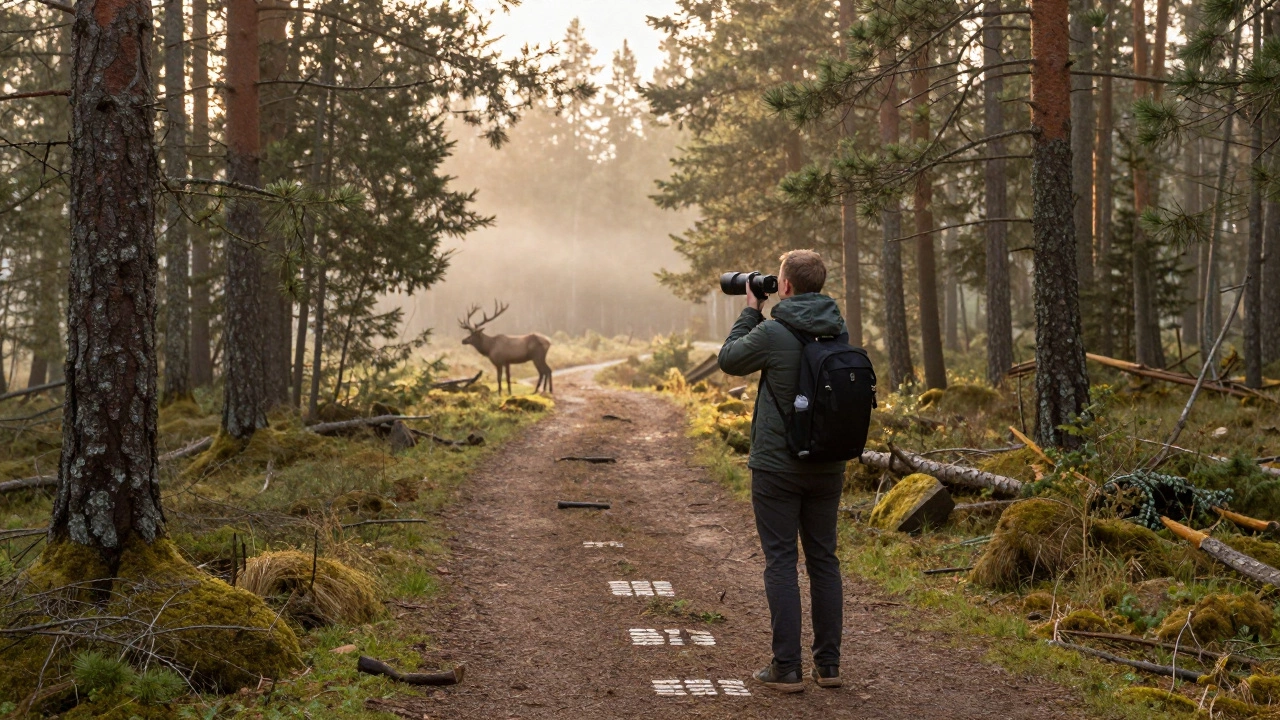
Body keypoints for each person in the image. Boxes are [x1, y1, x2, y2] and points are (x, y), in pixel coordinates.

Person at [717, 249, 847, 693]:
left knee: (781, 560)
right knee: (824, 561)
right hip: (828, 464)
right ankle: (828, 667)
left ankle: (786, 668)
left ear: (785, 286)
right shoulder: (838, 329)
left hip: (777, 466)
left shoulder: (773, 332)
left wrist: (750, 309)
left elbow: (730, 359)